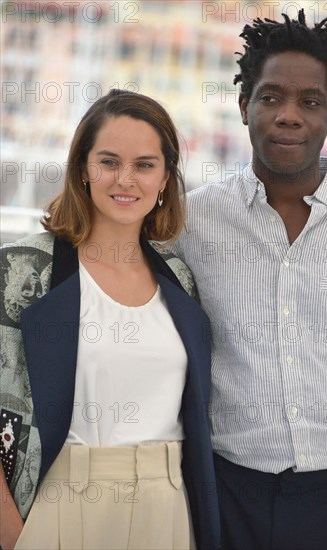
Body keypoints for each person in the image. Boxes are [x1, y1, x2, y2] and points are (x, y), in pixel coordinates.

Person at [171, 9, 327, 550]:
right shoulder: (188, 224)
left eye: (310, 102)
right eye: (270, 97)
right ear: (245, 107)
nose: (289, 115)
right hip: (221, 493)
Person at [0, 89, 220, 550]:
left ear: (164, 179)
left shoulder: (180, 280)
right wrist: (10, 533)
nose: (126, 179)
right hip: (61, 504)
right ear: (83, 168)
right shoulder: (21, 269)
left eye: (144, 164)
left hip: (167, 508)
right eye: (109, 161)